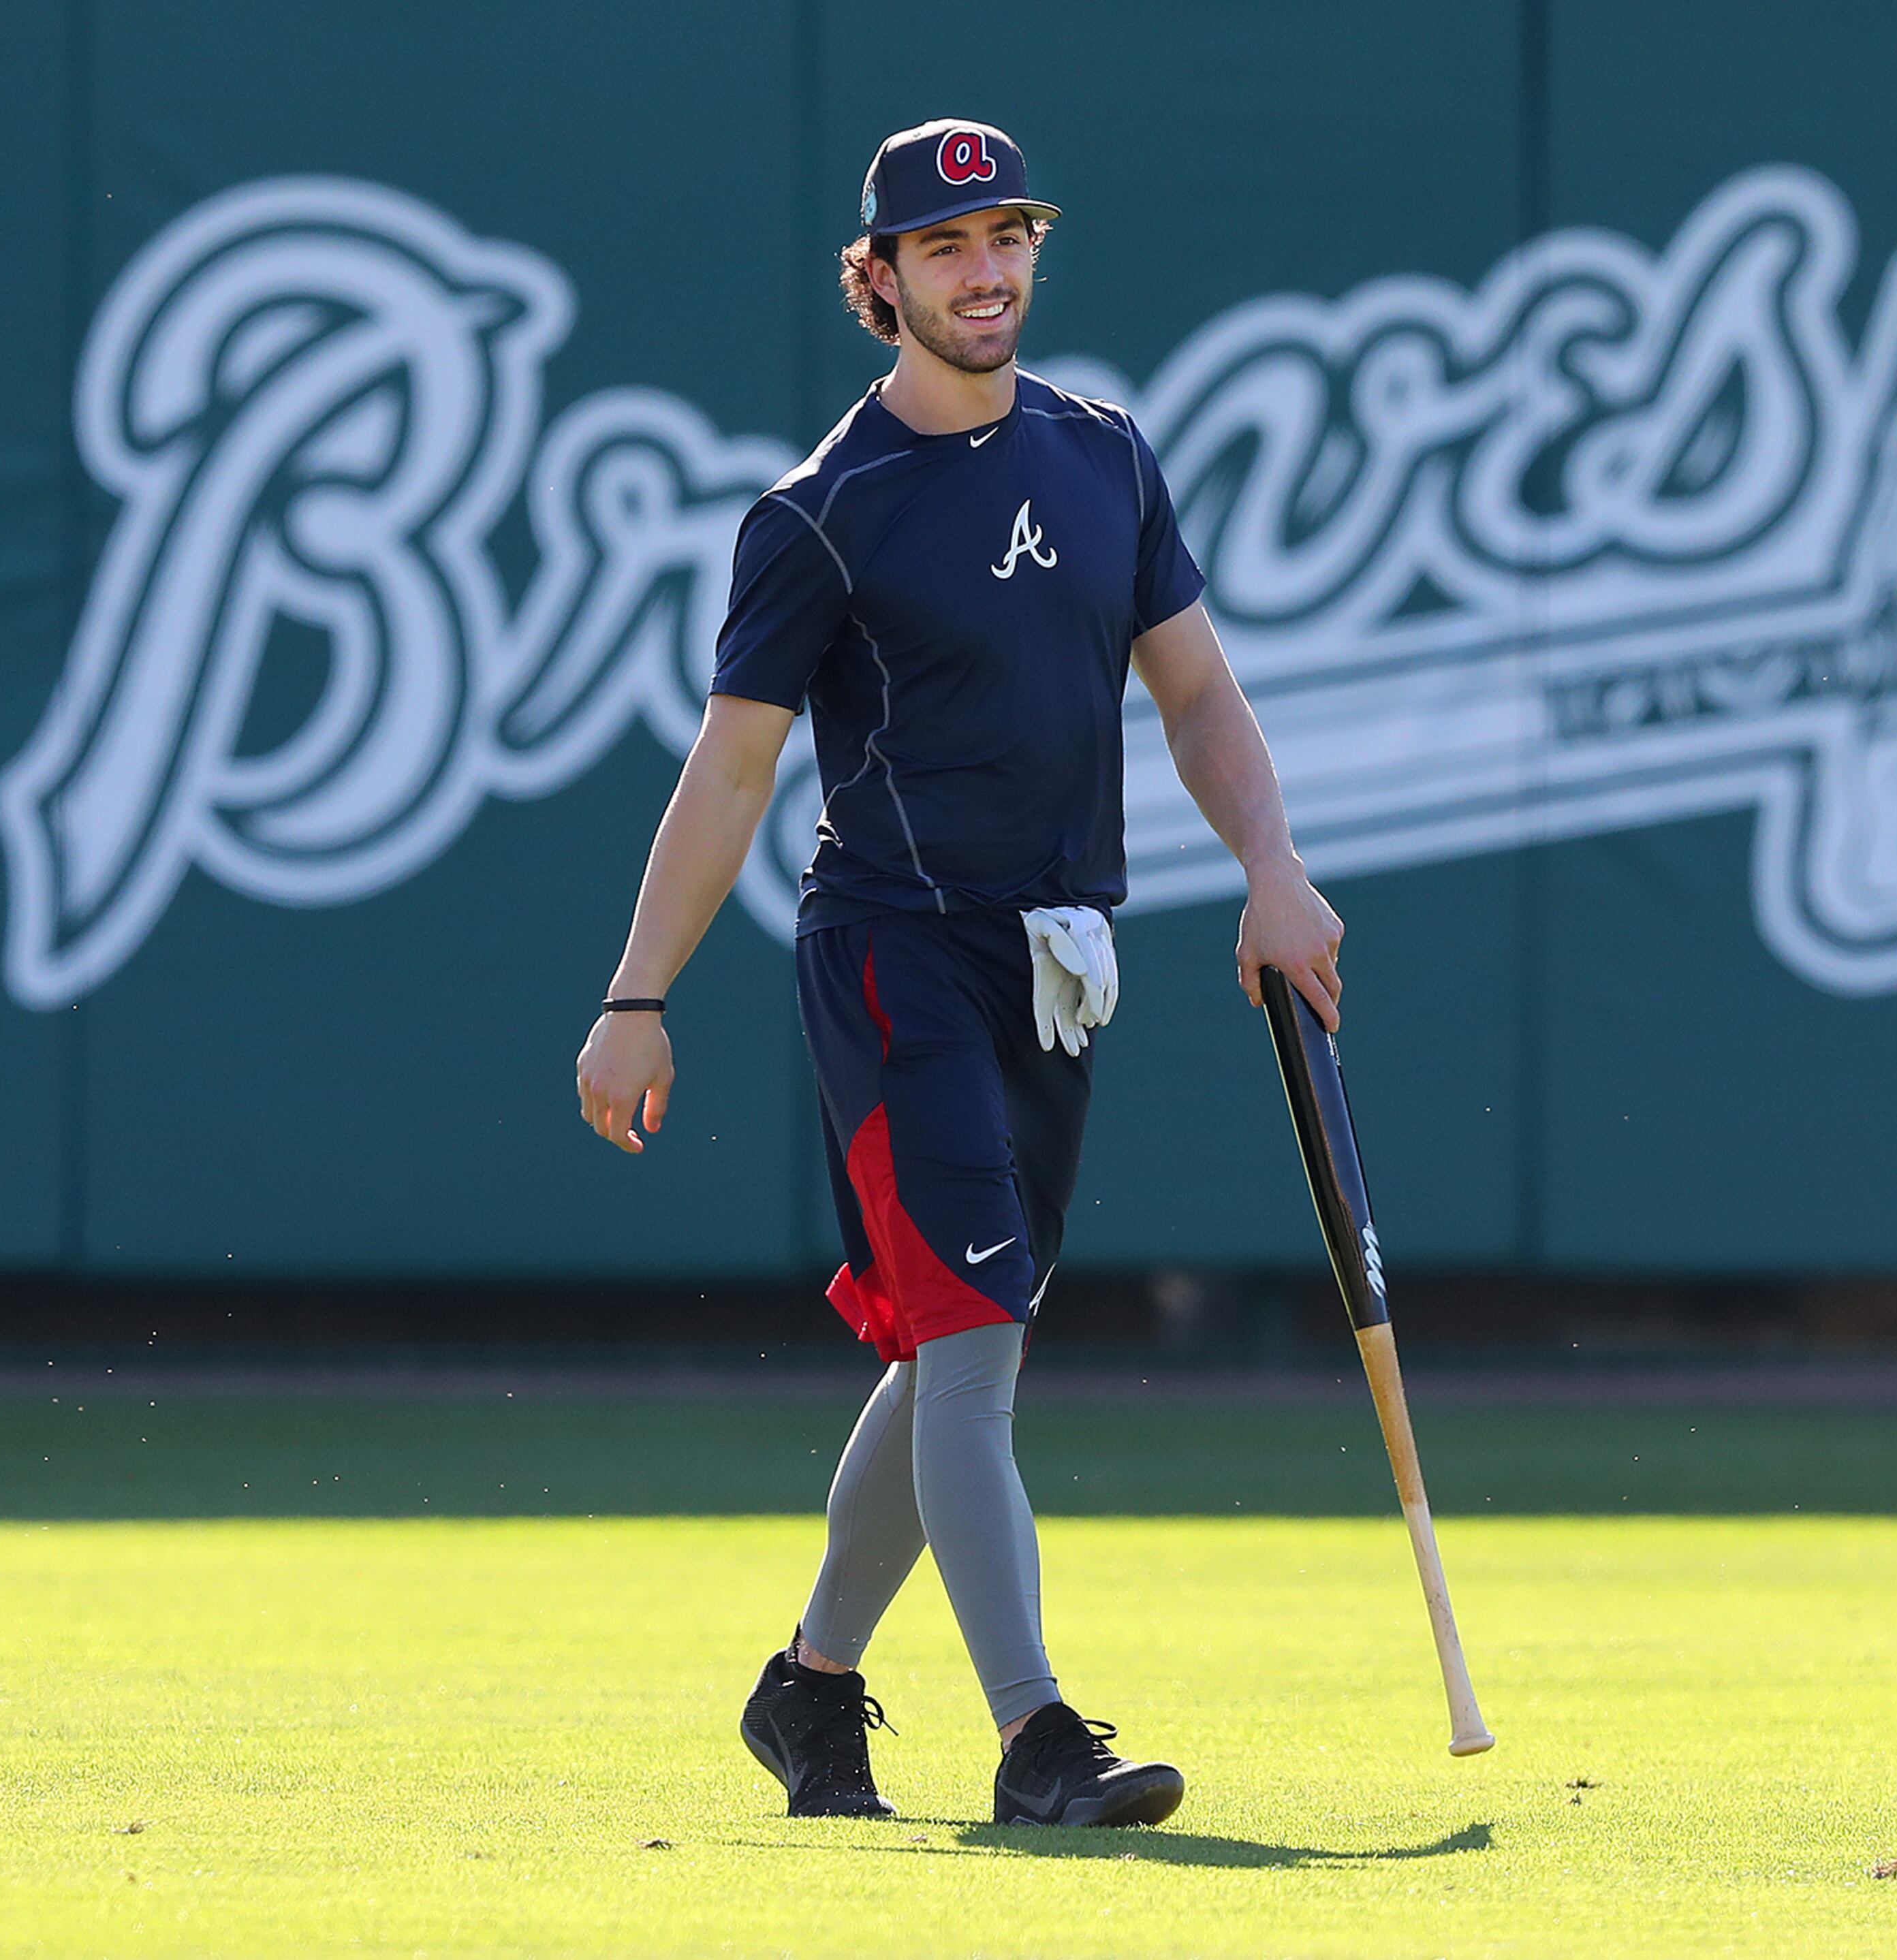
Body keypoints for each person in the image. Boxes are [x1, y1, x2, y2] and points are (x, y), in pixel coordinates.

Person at [574, 117, 1343, 1829]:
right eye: (946, 247)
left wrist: (1273, 871)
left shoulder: (1107, 457)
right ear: (882, 277)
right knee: (978, 1339)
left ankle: (809, 1689)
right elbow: (729, 771)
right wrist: (640, 992)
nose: (986, 271)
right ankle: (1038, 1738)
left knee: (946, 1358)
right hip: (893, 957)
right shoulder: (820, 515)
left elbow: (1199, 695)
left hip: (1060, 959)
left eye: (1007, 238)